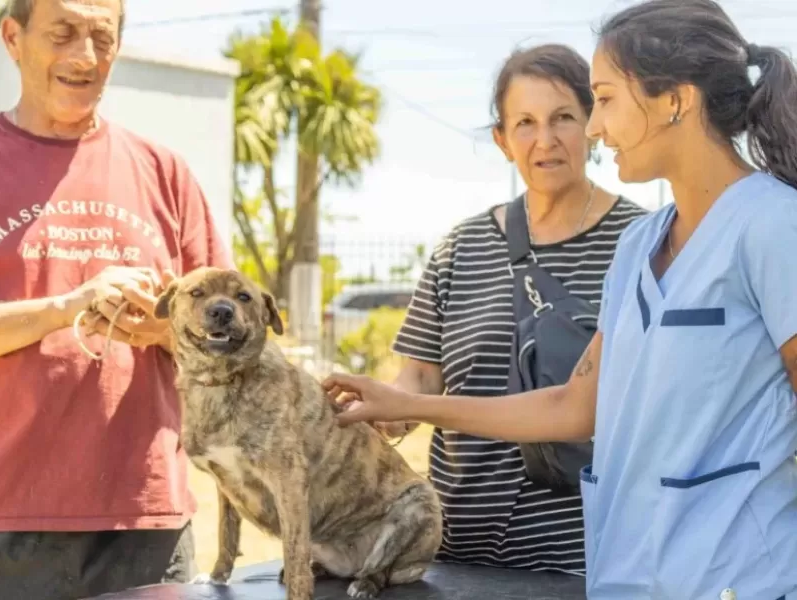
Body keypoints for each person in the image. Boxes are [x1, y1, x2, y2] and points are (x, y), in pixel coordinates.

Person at [324, 0, 797, 598]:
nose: (594, 128)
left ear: (674, 101)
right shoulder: (639, 245)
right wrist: (399, 402)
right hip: (628, 574)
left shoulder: (774, 227)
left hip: (739, 578)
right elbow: (576, 405)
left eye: (602, 100)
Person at [363, 44, 646, 575]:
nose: (545, 140)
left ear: (592, 123)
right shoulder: (461, 247)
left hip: (589, 555)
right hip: (459, 550)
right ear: (501, 139)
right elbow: (420, 378)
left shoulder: (639, 241)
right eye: (525, 123)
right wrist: (385, 409)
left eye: (563, 117)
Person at [0, 0, 234, 597]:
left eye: (102, 38)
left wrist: (158, 329)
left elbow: (232, 344)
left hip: (145, 518)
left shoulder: (165, 172)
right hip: (8, 517)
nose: (84, 57)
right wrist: (69, 305)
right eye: (64, 33)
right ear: (12, 37)